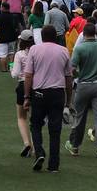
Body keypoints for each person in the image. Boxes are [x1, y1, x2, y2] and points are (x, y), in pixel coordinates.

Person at [22, 25, 73, 173]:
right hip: (57, 93)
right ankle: (54, 164)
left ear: (42, 37)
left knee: (36, 124)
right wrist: (68, 101)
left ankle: (39, 152)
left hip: (39, 92)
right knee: (55, 129)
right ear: (56, 37)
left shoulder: (34, 50)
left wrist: (26, 96)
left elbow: (28, 75)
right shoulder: (63, 51)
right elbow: (68, 77)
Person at [66, 23, 97, 160]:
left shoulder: (79, 48)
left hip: (83, 85)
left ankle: (75, 146)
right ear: (95, 34)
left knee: (80, 117)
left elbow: (72, 69)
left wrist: (77, 76)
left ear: (84, 34)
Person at [9, 29, 36, 157]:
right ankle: (36, 146)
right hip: (36, 85)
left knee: (21, 117)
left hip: (22, 84)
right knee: (35, 118)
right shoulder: (37, 52)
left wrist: (11, 67)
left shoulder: (19, 54)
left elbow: (15, 73)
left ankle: (27, 143)